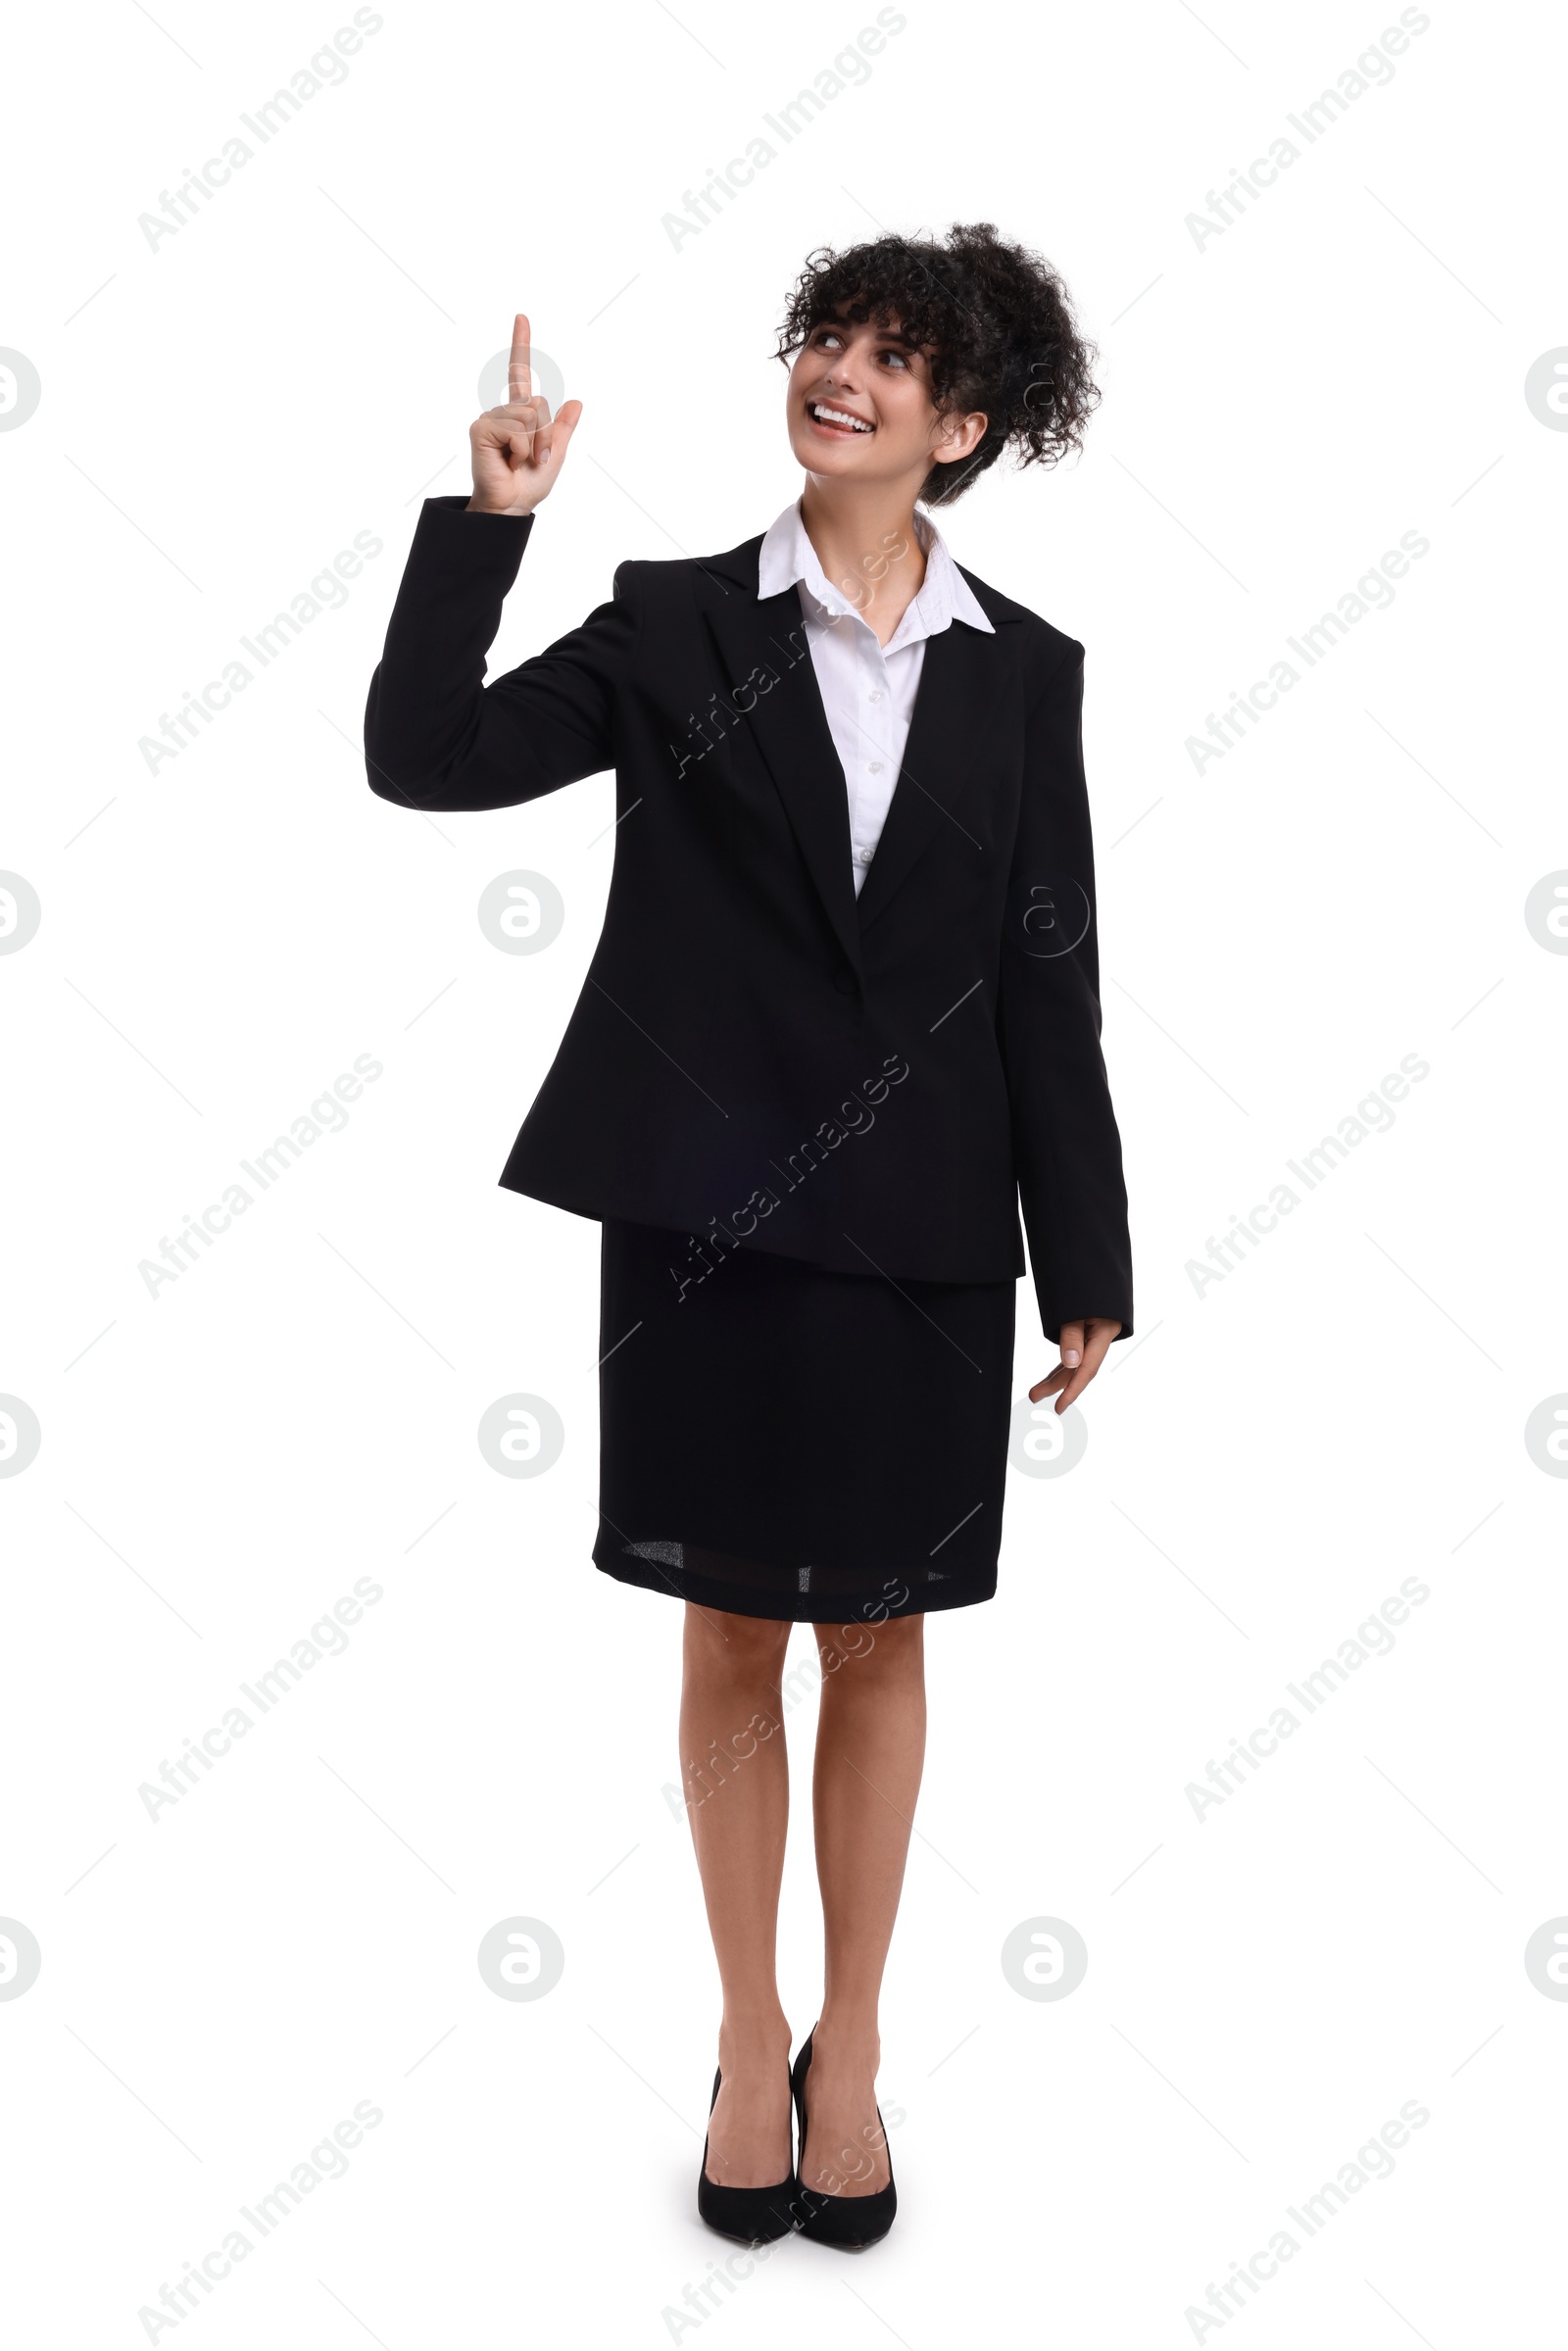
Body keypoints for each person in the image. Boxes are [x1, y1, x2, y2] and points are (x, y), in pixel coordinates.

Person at [364, 221, 1132, 2250]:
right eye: (826, 338)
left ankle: (853, 2051)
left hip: (931, 1235)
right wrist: (489, 525)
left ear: (961, 425)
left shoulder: (1023, 672)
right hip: (706, 1219)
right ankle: (741, 2035)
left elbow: (1043, 977)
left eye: (893, 360)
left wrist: (1094, 1263)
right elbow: (418, 762)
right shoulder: (675, 620)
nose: (840, 373)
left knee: (876, 1641)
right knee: (729, 1630)